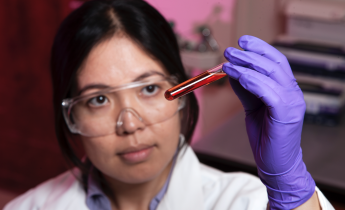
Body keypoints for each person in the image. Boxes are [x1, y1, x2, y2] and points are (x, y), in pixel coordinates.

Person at [4, 0, 334, 209]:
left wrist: (292, 191)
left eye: (148, 88)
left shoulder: (246, 202)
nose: (130, 124)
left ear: (182, 90)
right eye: (99, 99)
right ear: (70, 114)